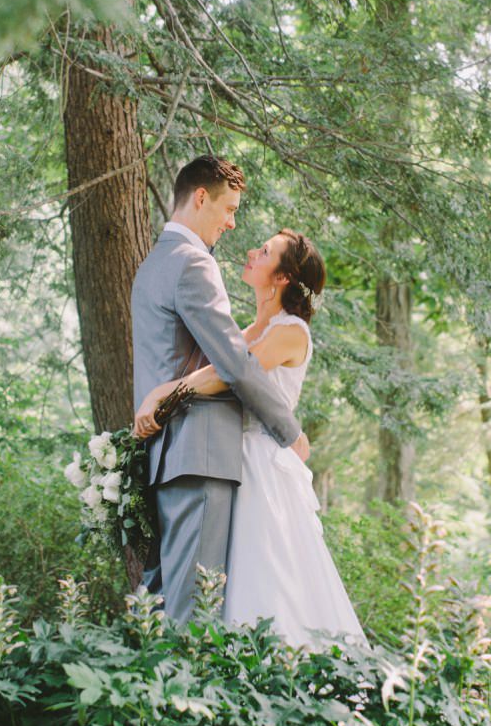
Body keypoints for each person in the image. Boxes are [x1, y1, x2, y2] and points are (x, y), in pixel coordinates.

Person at [136, 228, 366, 650]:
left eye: (264, 252)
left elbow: (229, 375)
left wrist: (159, 395)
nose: (251, 253)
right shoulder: (251, 329)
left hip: (264, 464)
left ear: (282, 277)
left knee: (267, 571)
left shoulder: (290, 331)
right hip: (231, 459)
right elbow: (214, 368)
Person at [129, 155, 310, 622]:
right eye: (229, 209)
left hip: (166, 457)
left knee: (165, 602)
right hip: (201, 454)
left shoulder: (152, 265)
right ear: (201, 197)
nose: (232, 224)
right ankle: (186, 695)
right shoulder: (193, 263)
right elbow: (233, 364)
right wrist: (289, 432)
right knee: (195, 610)